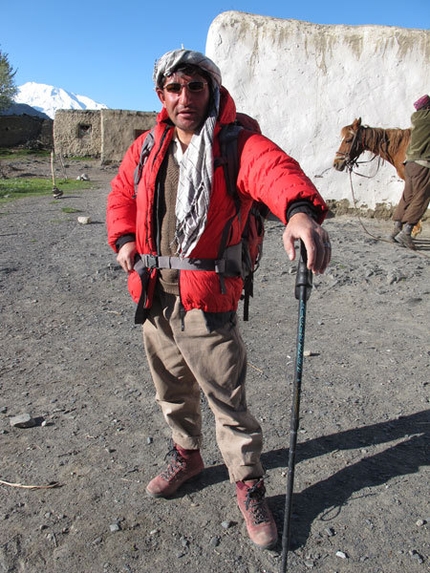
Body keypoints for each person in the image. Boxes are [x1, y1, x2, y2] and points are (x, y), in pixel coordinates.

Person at [106, 49, 331, 550]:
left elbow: (274, 171)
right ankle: (187, 455)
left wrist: (297, 212)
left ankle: (249, 484)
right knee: (171, 390)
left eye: (196, 87)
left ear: (212, 90)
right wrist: (123, 240)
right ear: (161, 95)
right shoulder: (147, 146)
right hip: (154, 297)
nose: (185, 98)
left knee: (227, 401)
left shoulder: (235, 143)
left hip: (207, 299)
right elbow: (122, 194)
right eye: (174, 89)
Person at [390, 94, 430, 250]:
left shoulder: (417, 118)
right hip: (423, 164)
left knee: (408, 196)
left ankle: (396, 229)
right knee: (421, 196)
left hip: (410, 163)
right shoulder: (427, 117)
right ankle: (406, 232)